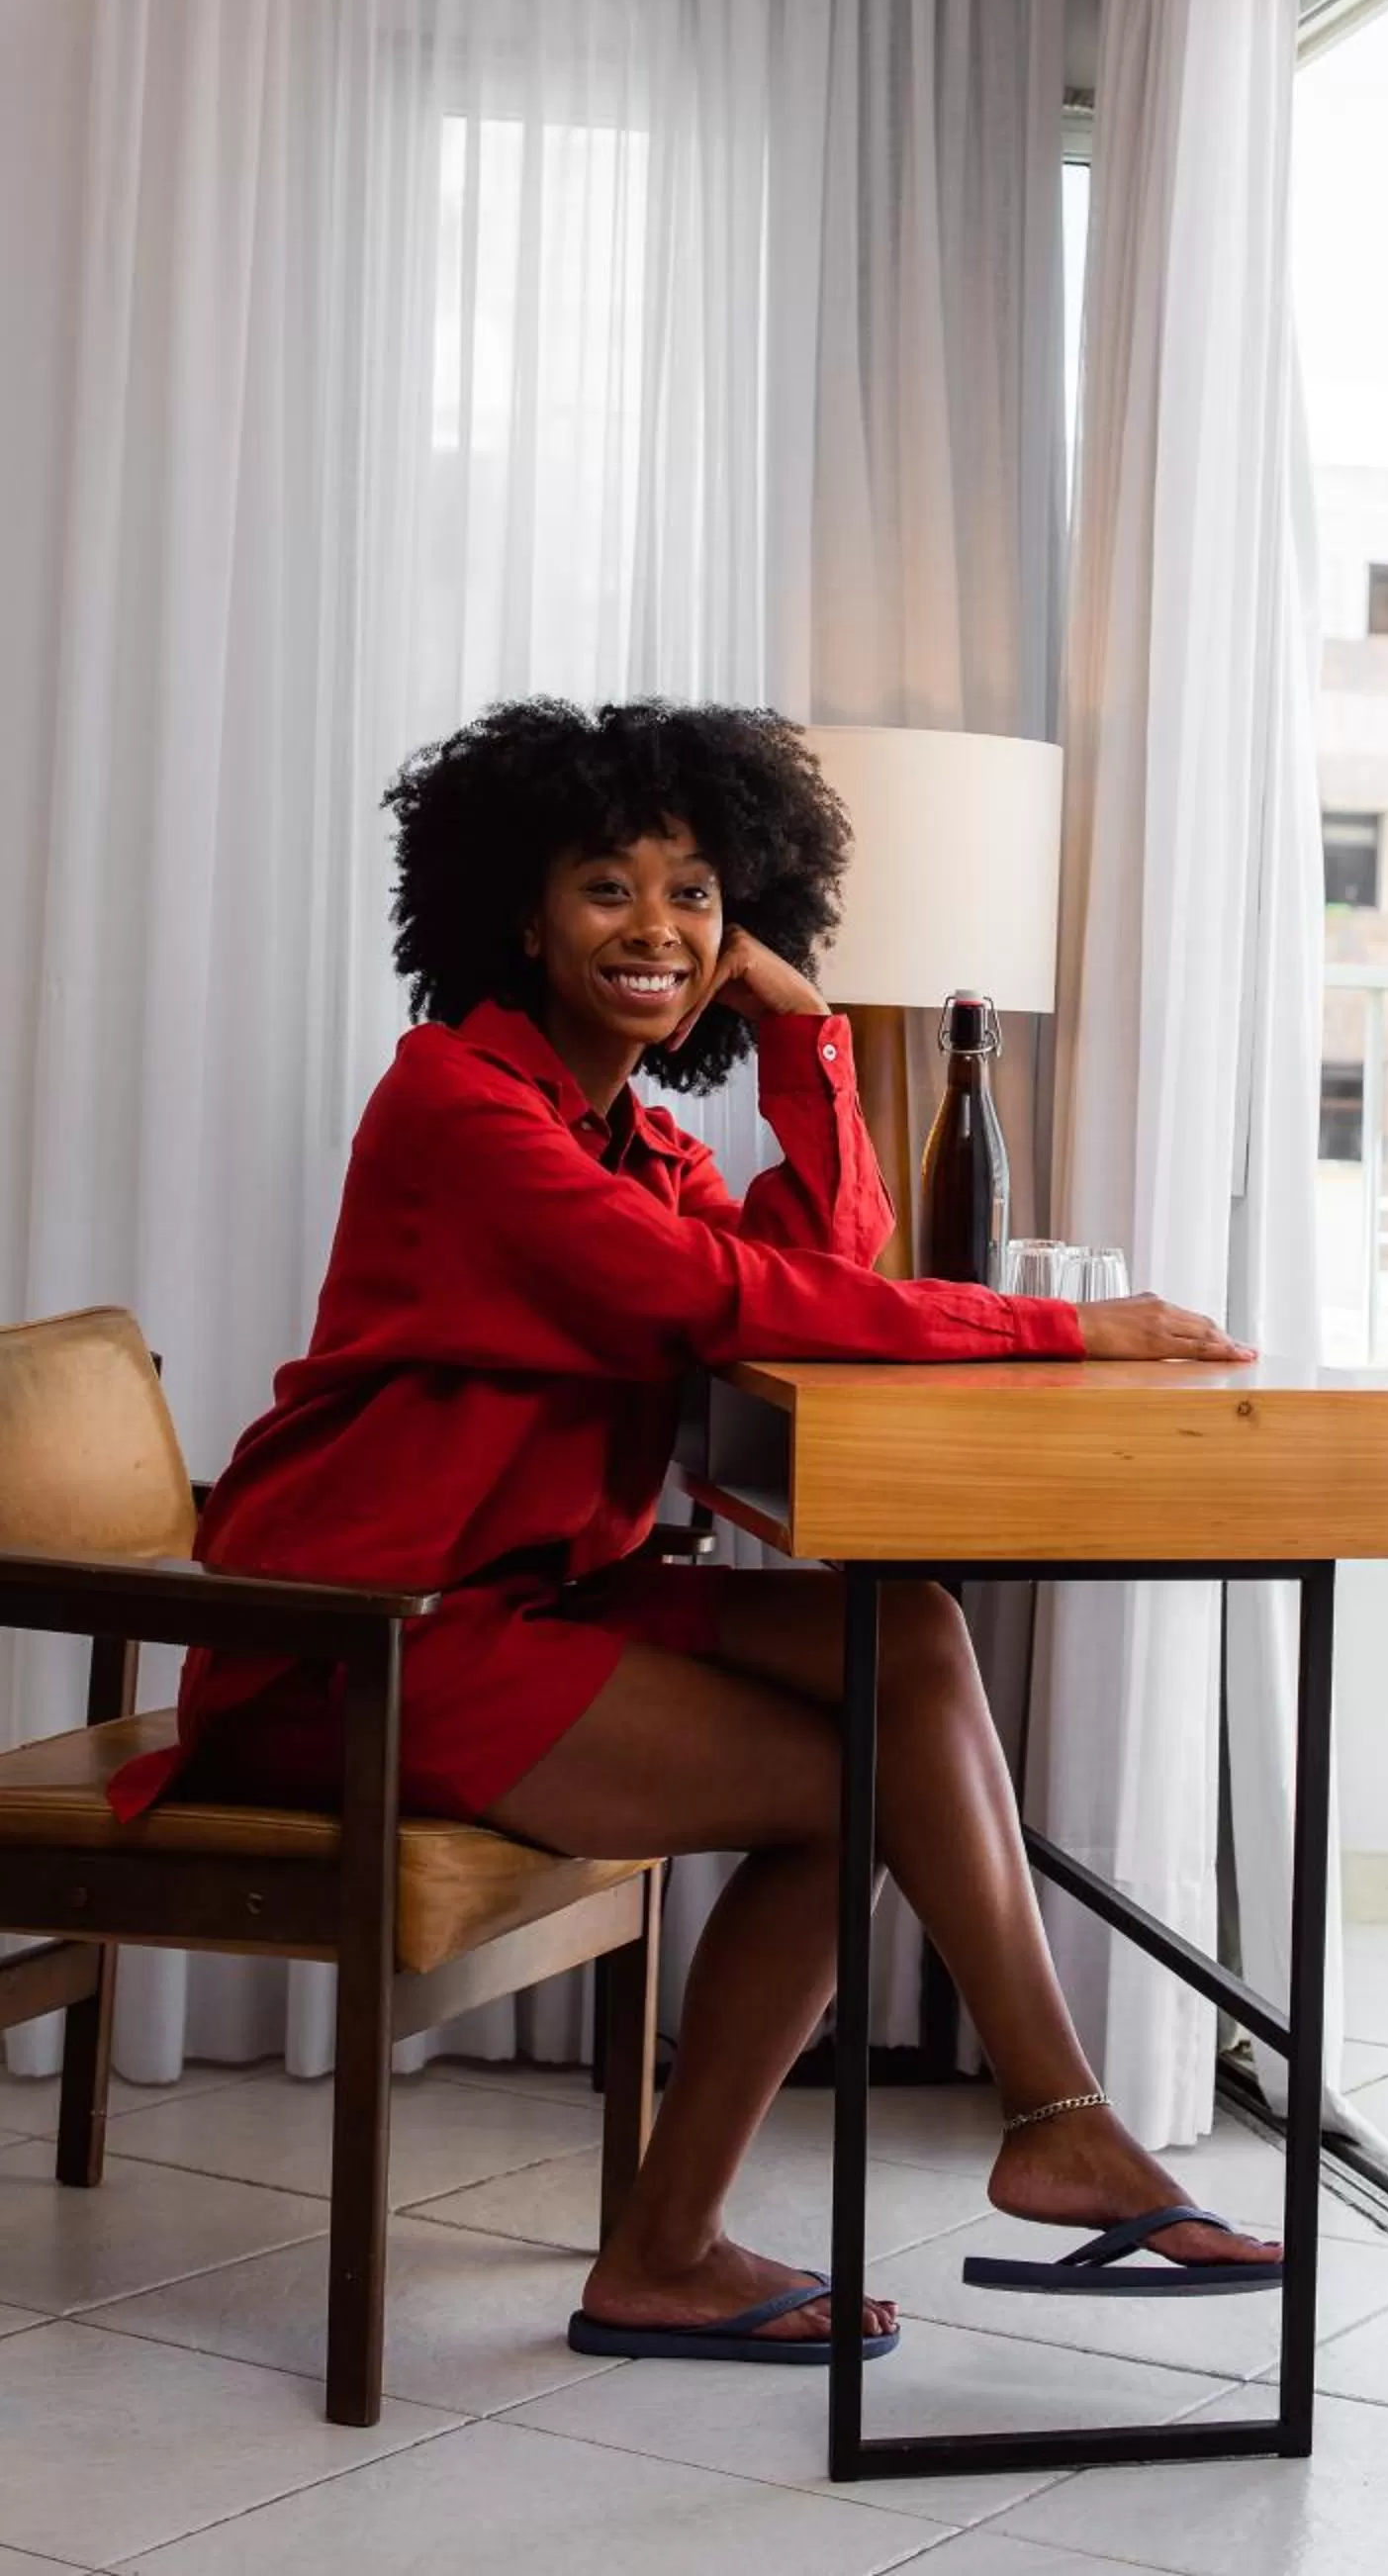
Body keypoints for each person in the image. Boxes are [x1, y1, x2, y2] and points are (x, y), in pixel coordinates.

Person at [109, 697, 1282, 2361]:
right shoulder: (463, 1105)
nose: (656, 927)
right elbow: (711, 1294)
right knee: (853, 1787)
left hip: (532, 1602)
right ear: (519, 914)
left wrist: (805, 1039)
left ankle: (1048, 2119)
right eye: (606, 886)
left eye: (695, 894)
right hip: (370, 1642)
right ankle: (715, 2234)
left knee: (909, 1634)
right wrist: (1060, 1330)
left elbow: (823, 1274)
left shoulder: (631, 1135)